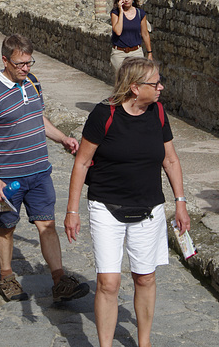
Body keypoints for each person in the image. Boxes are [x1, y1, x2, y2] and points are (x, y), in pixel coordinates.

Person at [64, 57, 190, 347]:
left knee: (145, 278)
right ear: (134, 88)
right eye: (155, 83)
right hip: (106, 207)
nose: (161, 87)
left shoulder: (158, 112)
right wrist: (72, 211)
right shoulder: (103, 114)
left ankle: (144, 343)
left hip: (150, 210)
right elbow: (82, 163)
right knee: (108, 283)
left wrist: (179, 202)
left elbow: (170, 159)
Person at [0, 33, 90, 303]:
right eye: (20, 64)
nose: (26, 68)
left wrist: (62, 138)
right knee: (6, 227)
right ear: (5, 60)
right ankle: (7, 276)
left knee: (47, 224)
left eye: (29, 63)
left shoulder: (33, 83)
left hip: (39, 173)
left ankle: (60, 282)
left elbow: (39, 118)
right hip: (7, 179)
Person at [110, 0, 152, 73]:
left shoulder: (140, 13)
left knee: (137, 80)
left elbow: (145, 34)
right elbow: (118, 31)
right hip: (119, 53)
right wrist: (121, 11)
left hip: (136, 52)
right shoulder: (115, 13)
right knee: (123, 82)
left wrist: (149, 52)